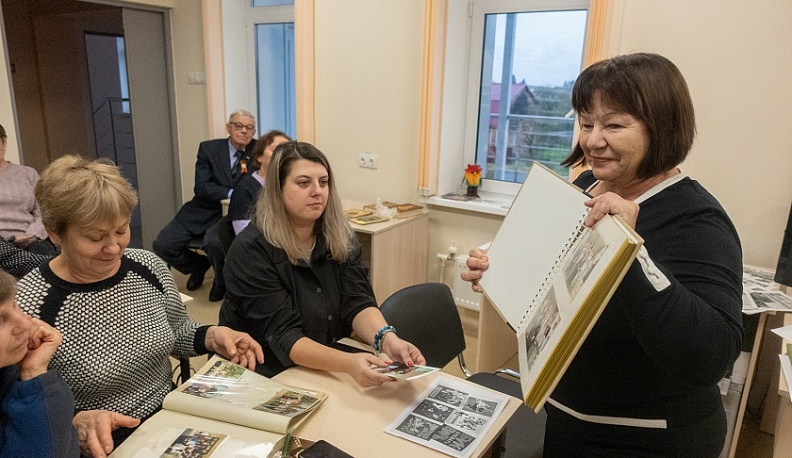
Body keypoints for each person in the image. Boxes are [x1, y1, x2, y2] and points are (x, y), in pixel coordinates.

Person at [462, 53, 743, 457]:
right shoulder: (589, 183)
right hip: (569, 421)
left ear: (661, 127)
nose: (592, 140)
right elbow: (561, 295)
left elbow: (710, 356)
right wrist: (501, 273)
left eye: (613, 124)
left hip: (647, 439)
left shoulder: (697, 220)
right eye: (585, 122)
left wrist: (628, 250)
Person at [15, 155, 264, 458]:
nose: (113, 248)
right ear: (54, 233)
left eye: (121, 231)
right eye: (95, 237)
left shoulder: (146, 267)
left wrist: (212, 336)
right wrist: (72, 422)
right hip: (102, 444)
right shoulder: (28, 304)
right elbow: (17, 410)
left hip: (172, 419)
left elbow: (177, 331)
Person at [219, 141, 426, 386]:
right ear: (278, 189)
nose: (317, 191)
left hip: (324, 359)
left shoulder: (339, 235)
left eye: (324, 182)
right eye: (304, 183)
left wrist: (387, 339)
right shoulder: (250, 250)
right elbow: (284, 335)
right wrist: (348, 363)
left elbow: (357, 301)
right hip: (264, 370)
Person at [153, 110, 257, 294]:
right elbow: (201, 187)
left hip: (230, 214)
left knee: (214, 243)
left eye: (249, 128)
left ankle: (220, 281)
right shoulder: (209, 150)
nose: (244, 131)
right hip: (201, 209)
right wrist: (234, 192)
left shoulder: (258, 152)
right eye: (238, 126)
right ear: (228, 127)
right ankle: (197, 266)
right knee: (163, 245)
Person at [202, 130, 291, 302]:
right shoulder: (246, 189)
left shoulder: (286, 185)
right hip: (262, 254)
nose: (282, 154)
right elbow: (245, 235)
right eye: (276, 149)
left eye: (286, 149)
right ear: (259, 157)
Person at [0, 269, 79, 457]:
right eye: (1, 319)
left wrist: (33, 372)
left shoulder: (9, 370)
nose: (27, 324)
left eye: (16, 305)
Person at [0, 124, 56, 256]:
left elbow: (44, 211)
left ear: (4, 142)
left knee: (44, 261)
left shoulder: (29, 174)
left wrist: (32, 234)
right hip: (1, 244)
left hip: (31, 240)